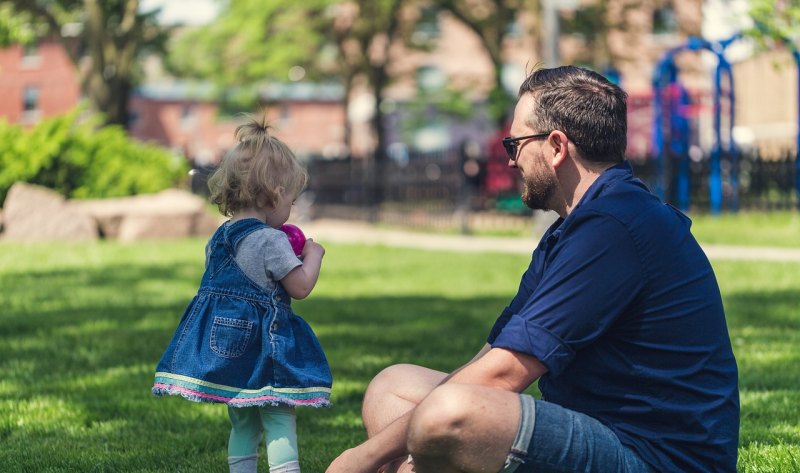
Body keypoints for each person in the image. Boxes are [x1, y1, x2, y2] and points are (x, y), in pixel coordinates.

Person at [326, 66, 739, 473]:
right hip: (597, 428)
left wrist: (360, 459)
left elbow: (505, 374)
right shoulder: (576, 227)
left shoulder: (615, 227)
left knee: (451, 411)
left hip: (653, 457)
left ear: (556, 146)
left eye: (515, 144)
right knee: (393, 388)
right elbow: (491, 358)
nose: (510, 161)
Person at [153, 115, 331, 473]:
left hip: (227, 350)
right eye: (291, 202)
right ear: (275, 195)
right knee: (279, 415)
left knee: (244, 420)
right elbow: (300, 287)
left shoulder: (220, 236)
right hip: (264, 350)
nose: (290, 211)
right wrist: (313, 256)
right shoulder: (271, 240)